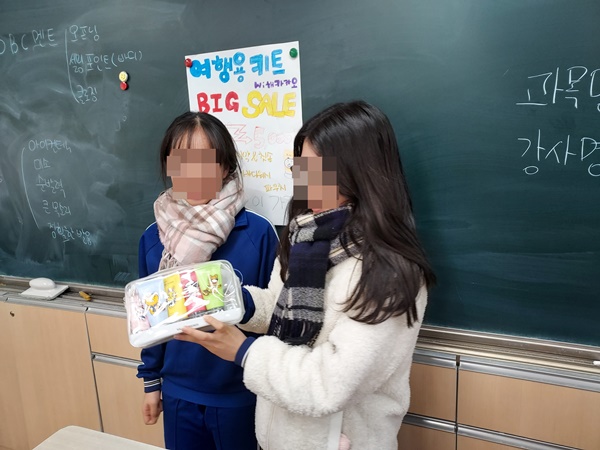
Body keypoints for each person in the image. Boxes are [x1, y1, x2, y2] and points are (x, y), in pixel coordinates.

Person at [174, 101, 437, 450]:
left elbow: (330, 383)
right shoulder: (307, 239)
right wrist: (230, 299)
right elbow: (278, 306)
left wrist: (243, 352)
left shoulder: (390, 273)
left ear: (359, 173)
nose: (303, 183)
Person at [137, 111, 279, 450]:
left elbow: (274, 317)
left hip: (240, 395)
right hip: (178, 393)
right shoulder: (154, 238)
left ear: (226, 167)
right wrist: (151, 382)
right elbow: (150, 317)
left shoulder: (257, 233)